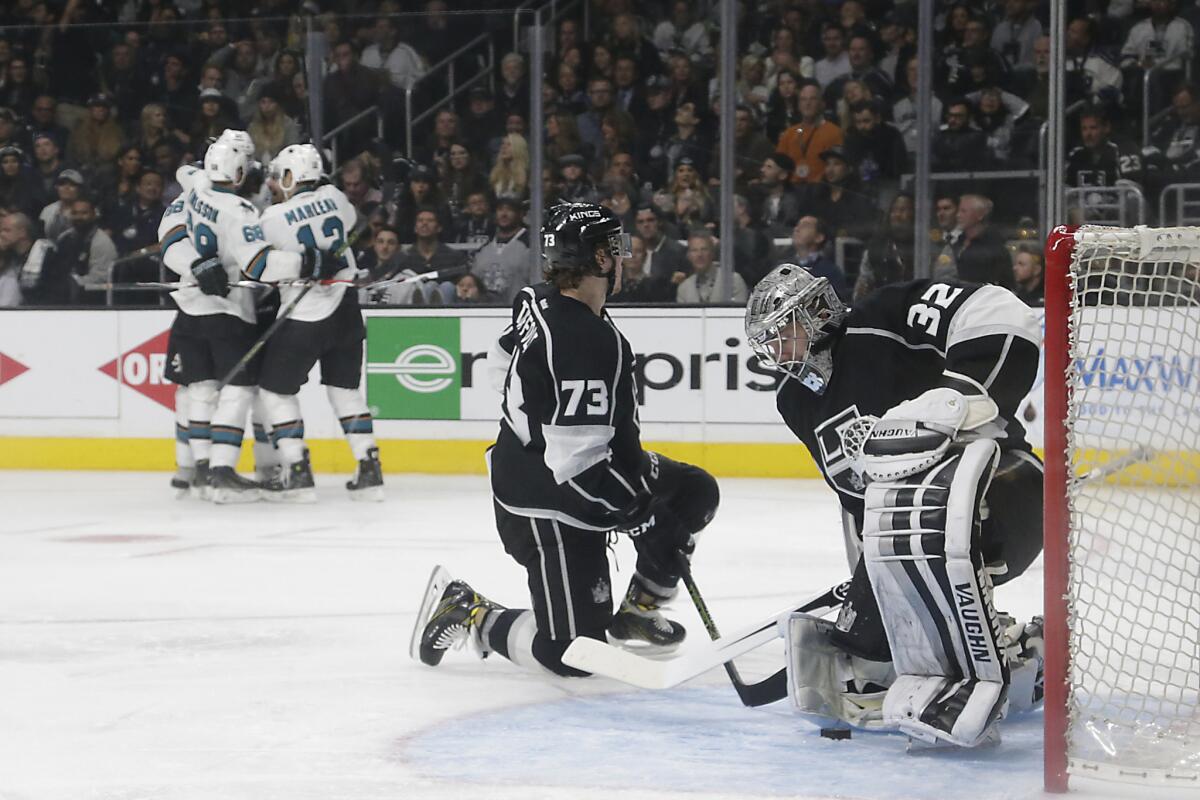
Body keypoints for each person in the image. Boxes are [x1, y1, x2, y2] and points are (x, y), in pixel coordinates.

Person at [413, 201, 722, 676]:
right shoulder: (583, 340)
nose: (624, 258)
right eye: (615, 249)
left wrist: (531, 419)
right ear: (598, 259)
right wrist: (642, 518)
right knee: (571, 656)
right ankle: (471, 610)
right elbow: (576, 468)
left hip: (568, 470)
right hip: (544, 503)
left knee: (694, 490)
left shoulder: (540, 299)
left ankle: (636, 615)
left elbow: (501, 359)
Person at [744, 263, 1044, 748]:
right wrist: (869, 583)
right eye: (770, 341)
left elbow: (1000, 312)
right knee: (861, 645)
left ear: (817, 312)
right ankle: (1011, 653)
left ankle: (980, 672)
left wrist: (962, 398)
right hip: (911, 529)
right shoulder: (794, 400)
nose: (778, 351)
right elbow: (857, 502)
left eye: (785, 332)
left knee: (929, 535)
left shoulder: (885, 317)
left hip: (1008, 488)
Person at [162, 131, 323, 502]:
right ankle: (220, 471)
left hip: (188, 306)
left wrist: (193, 264)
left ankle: (196, 471)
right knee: (237, 390)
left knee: (197, 390)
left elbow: (170, 229)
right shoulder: (242, 212)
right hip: (230, 311)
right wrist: (307, 262)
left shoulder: (193, 183)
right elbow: (260, 263)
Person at [256, 143, 384, 502]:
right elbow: (352, 225)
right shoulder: (336, 197)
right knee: (345, 391)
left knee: (275, 392)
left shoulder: (272, 218)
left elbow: (260, 265)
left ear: (290, 175)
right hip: (346, 308)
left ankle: (296, 470)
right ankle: (369, 466)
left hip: (302, 316)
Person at [941, 194, 1014, 289]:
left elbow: (1005, 284)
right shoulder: (955, 243)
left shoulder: (994, 249)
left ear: (980, 215)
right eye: (959, 211)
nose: (958, 215)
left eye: (963, 211)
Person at [774, 216, 849, 301]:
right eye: (797, 225)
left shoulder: (831, 272)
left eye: (805, 226)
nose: (796, 229)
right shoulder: (782, 268)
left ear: (819, 237)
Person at [472, 196, 530, 304]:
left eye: (509, 210)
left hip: (519, 310)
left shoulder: (532, 245)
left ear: (520, 214)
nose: (504, 214)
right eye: (500, 210)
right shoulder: (484, 249)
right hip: (484, 311)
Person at [676, 232, 748, 303]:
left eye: (704, 249)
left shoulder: (733, 281)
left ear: (712, 253)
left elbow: (739, 313)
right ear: (688, 256)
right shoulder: (683, 288)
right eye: (694, 250)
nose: (699, 254)